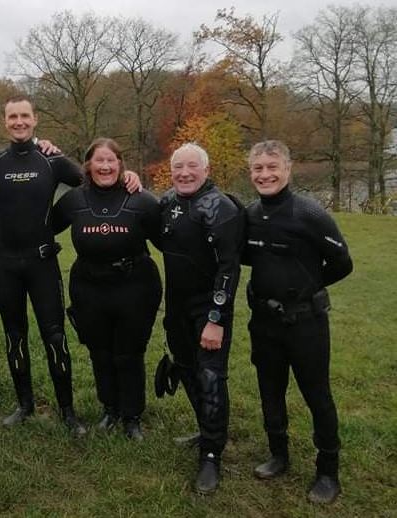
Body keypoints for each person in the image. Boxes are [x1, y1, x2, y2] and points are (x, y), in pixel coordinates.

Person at [0, 95, 140, 435]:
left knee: (55, 336)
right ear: (5, 122)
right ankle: (24, 405)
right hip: (3, 264)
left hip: (42, 263)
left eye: (25, 115)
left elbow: (97, 178)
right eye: (12, 116)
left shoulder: (52, 161)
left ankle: (67, 411)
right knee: (14, 335)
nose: (19, 122)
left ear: (35, 119)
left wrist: (129, 176)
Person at [243, 140, 353, 504]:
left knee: (317, 395)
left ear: (288, 169)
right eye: (258, 168)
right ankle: (279, 454)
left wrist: (307, 289)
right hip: (264, 322)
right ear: (251, 172)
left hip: (306, 324)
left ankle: (328, 472)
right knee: (269, 390)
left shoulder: (309, 213)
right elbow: (246, 256)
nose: (265, 174)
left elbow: (342, 262)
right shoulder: (251, 214)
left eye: (272, 167)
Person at [51, 138, 163, 440]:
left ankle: (132, 416)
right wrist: (4, 232)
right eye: (99, 161)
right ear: (88, 165)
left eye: (111, 160)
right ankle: (110, 409)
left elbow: (168, 240)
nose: (105, 166)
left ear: (120, 164)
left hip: (135, 287)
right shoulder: (74, 200)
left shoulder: (141, 199)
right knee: (100, 352)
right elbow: (44, 227)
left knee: (129, 353)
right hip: (89, 288)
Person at [157, 142, 244, 494]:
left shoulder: (221, 208)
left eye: (192, 166)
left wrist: (216, 319)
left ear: (206, 170)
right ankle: (206, 429)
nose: (184, 173)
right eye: (178, 166)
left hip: (208, 308)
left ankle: (211, 454)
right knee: (187, 368)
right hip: (177, 306)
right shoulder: (167, 202)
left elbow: (230, 268)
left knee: (210, 377)